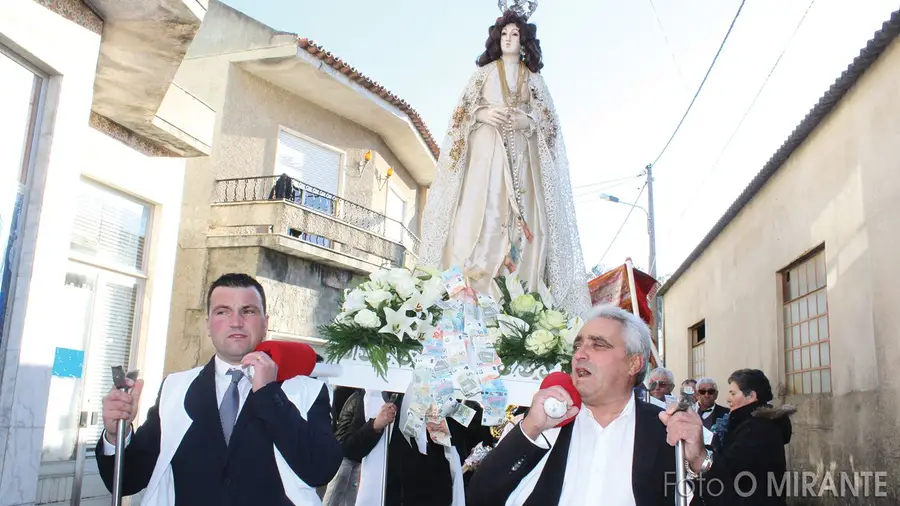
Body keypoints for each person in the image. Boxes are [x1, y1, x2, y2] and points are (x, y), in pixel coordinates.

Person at [96, 273, 342, 505]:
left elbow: (320, 470)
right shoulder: (175, 388)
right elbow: (128, 479)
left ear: (266, 322)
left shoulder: (306, 391)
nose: (236, 322)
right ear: (208, 324)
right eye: (222, 312)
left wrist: (269, 394)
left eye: (248, 311)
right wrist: (116, 434)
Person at [418, 3, 591, 318]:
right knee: (479, 214)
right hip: (484, 160)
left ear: (524, 41)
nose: (510, 38)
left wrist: (528, 123)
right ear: (497, 38)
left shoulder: (534, 80)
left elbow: (550, 126)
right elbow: (458, 119)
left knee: (522, 222)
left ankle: (517, 291)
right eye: (505, 33)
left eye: (516, 34)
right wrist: (482, 113)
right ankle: (470, 287)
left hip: (523, 163)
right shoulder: (482, 75)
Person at [466, 304, 719, 506]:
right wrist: (529, 430)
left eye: (598, 344)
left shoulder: (669, 429)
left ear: (633, 364)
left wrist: (699, 460)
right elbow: (479, 496)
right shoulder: (545, 423)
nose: (580, 354)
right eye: (578, 345)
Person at [343, 390, 493, 506]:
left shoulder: (444, 392)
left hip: (432, 494)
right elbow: (351, 449)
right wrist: (375, 426)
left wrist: (440, 421)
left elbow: (473, 437)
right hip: (385, 495)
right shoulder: (374, 395)